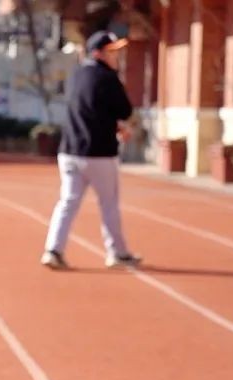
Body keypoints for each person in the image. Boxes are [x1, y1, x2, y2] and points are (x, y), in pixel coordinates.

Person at [41, 31, 141, 270]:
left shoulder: (76, 75)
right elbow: (125, 110)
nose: (116, 56)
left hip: (70, 151)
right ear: (98, 53)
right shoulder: (108, 77)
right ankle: (117, 253)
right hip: (99, 154)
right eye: (112, 51)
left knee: (67, 202)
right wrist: (121, 125)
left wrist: (114, 125)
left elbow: (90, 111)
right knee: (108, 204)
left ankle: (53, 250)